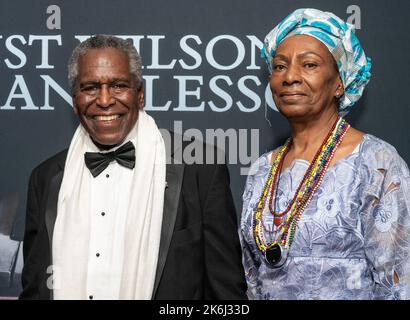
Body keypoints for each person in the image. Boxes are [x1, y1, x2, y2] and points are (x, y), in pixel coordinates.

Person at [20, 35, 247, 300]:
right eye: (90, 87)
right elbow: (35, 290)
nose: (104, 100)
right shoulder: (45, 178)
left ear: (139, 95)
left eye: (118, 86)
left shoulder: (200, 169)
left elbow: (227, 296)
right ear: (74, 100)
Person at [240, 8, 410, 299]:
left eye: (309, 65)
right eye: (279, 66)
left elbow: (398, 285)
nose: (290, 76)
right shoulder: (261, 170)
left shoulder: (375, 162)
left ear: (340, 83)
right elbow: (253, 279)